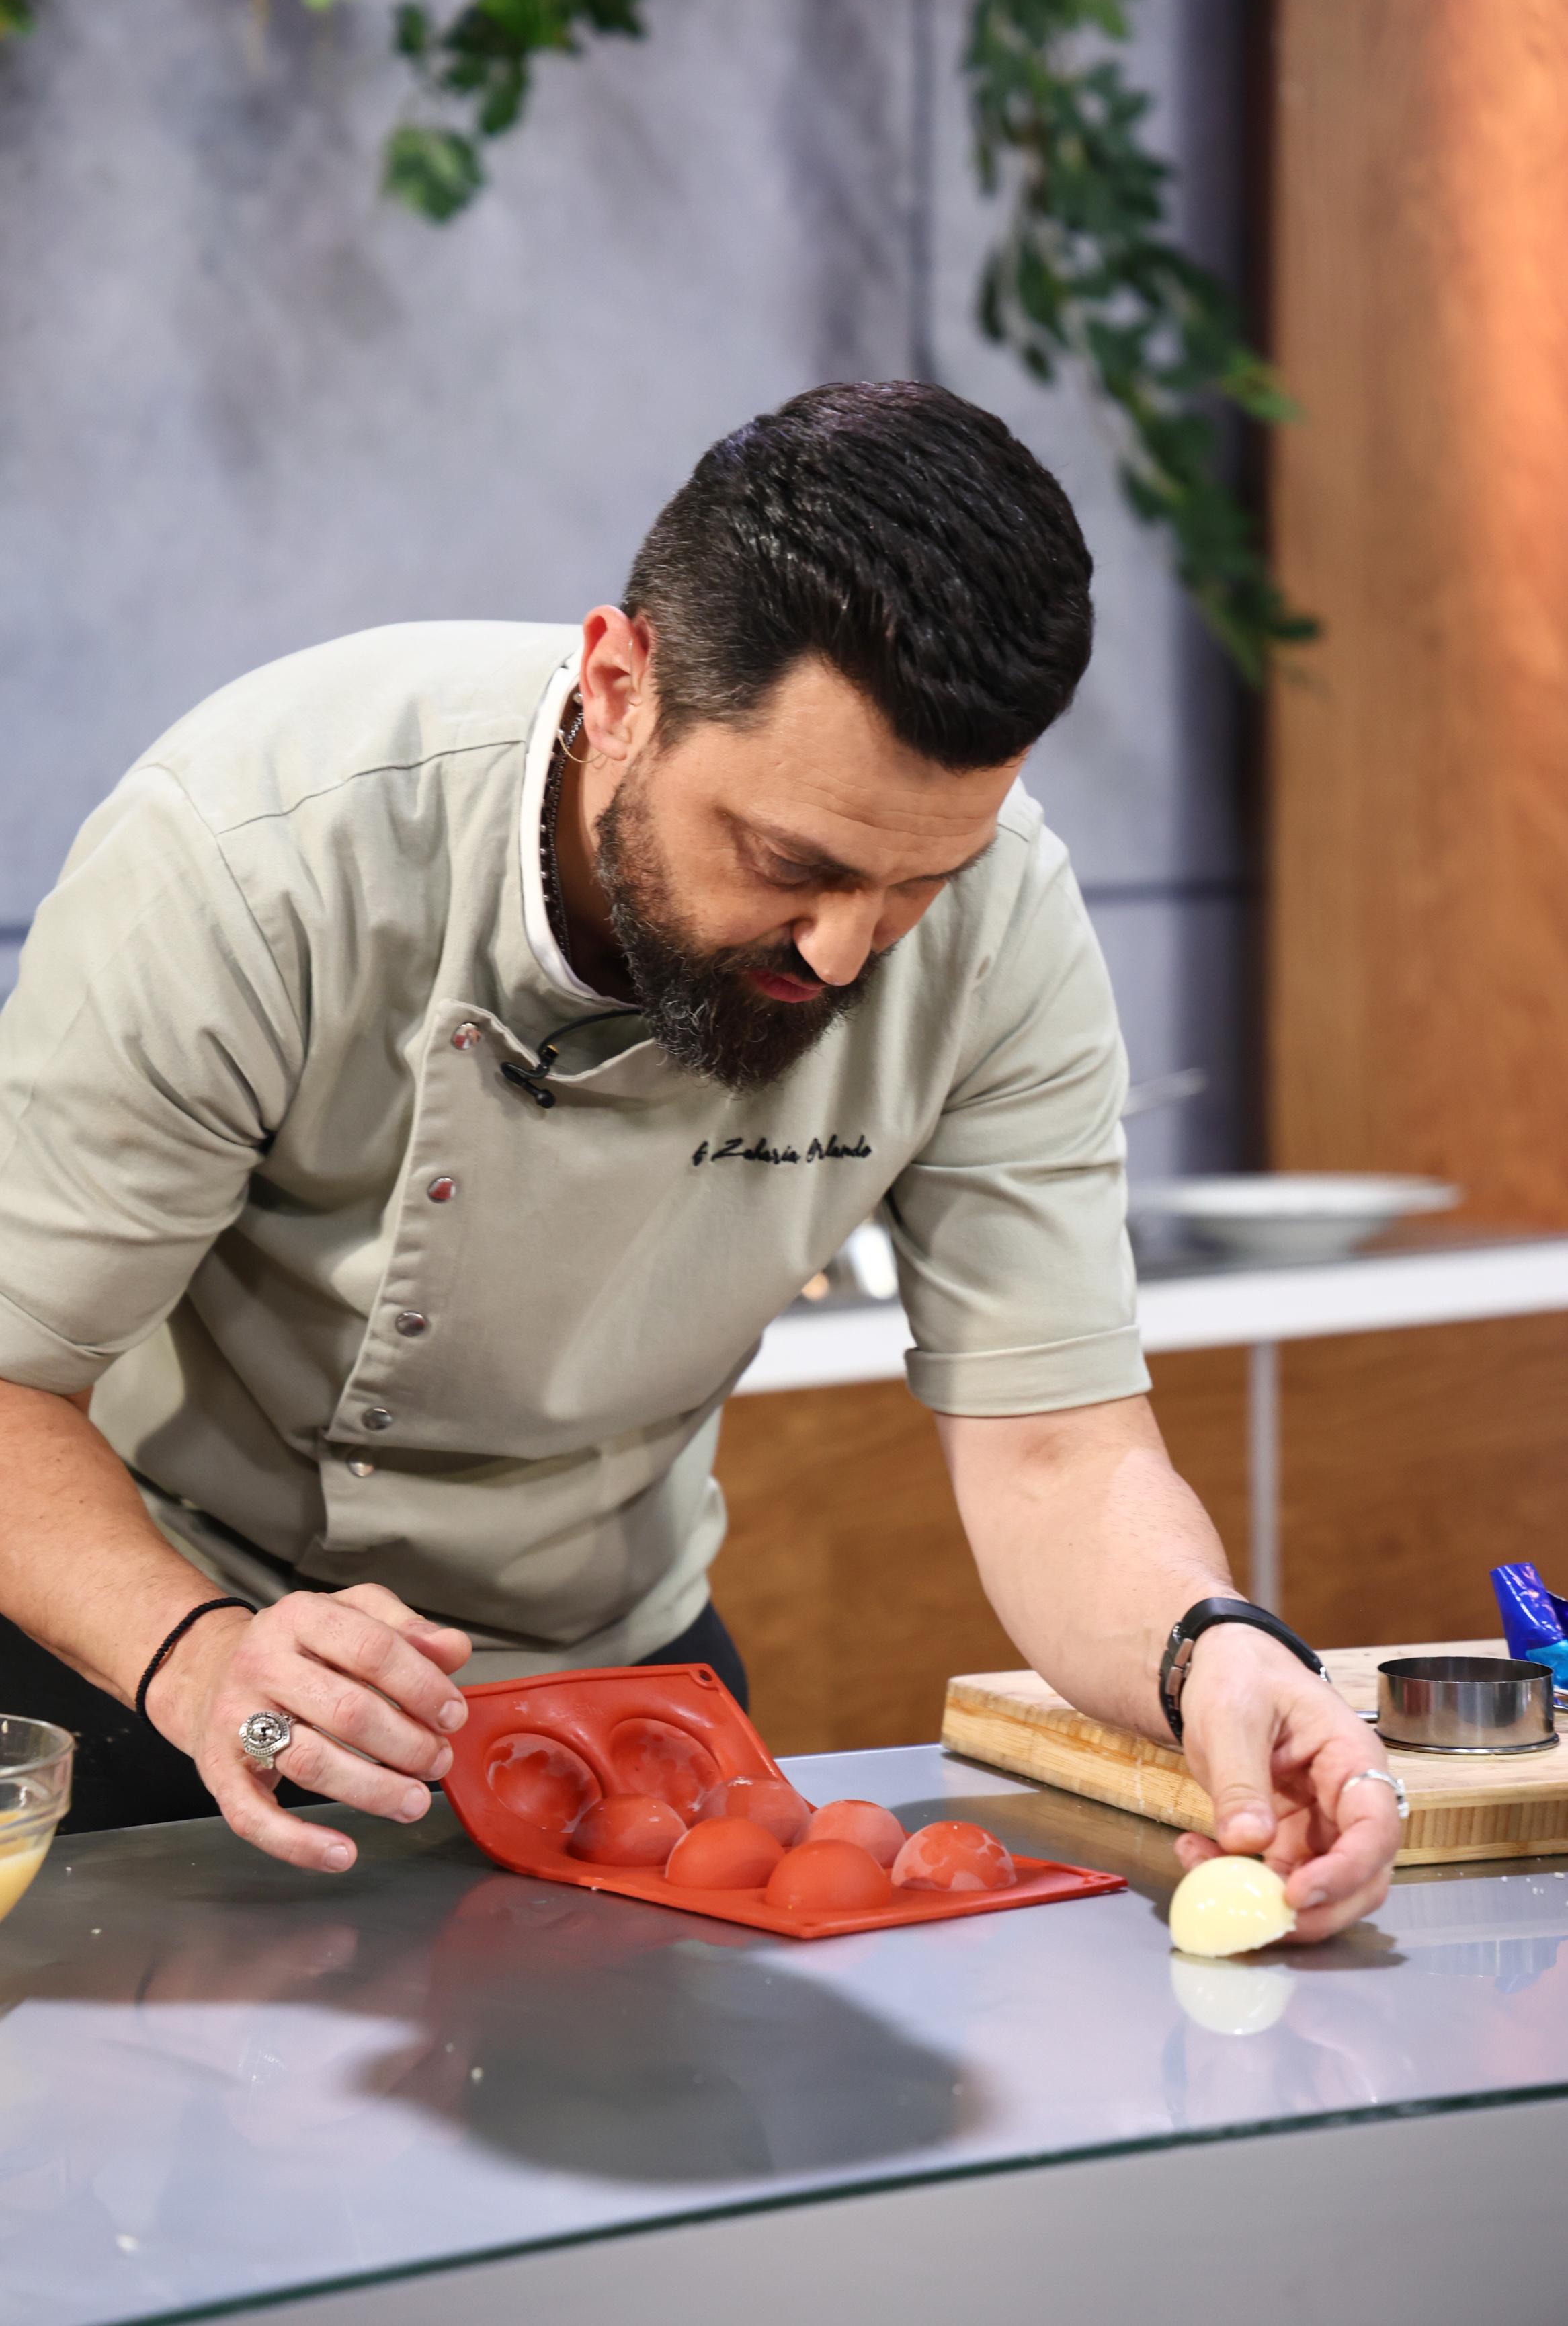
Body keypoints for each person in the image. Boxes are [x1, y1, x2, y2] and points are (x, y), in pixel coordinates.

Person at [0, 382, 1401, 1935]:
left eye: (920, 883)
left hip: (619, 1690)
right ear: (620, 686)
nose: (847, 951)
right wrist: (196, 1651)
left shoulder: (1008, 929)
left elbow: (1058, 1450)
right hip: (144, 1639)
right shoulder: (259, 857)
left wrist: (1215, 1653)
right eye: (792, 862)